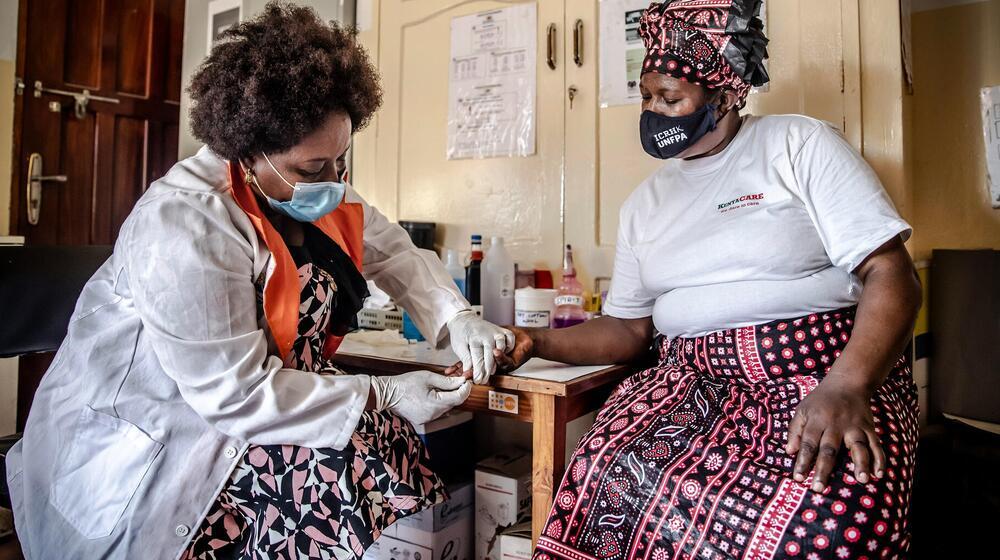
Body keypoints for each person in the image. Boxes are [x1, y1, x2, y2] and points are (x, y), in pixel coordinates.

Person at [5, 4, 513, 559]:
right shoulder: (185, 223)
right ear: (248, 148)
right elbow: (236, 393)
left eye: (339, 161)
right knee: (351, 445)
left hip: (251, 428)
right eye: (313, 169)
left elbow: (394, 252)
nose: (335, 183)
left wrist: (456, 317)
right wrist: (384, 392)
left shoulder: (304, 188)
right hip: (156, 452)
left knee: (371, 451)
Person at [467, 1, 922, 558]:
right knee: (604, 471)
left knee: (828, 525)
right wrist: (537, 342)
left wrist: (848, 385)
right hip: (690, 387)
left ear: (727, 93)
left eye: (670, 98)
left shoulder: (797, 145)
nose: (652, 110)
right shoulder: (644, 205)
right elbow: (628, 331)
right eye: (645, 94)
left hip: (821, 375)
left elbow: (891, 274)